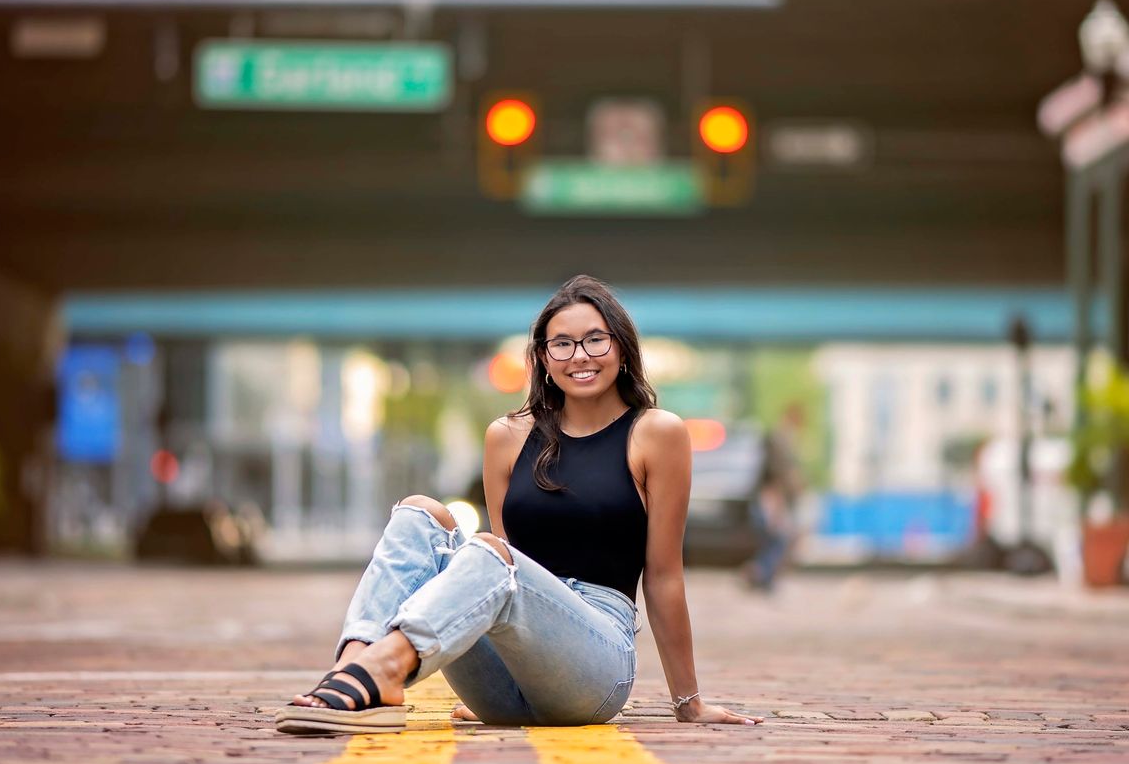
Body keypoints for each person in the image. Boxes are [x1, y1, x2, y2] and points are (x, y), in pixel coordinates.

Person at [275, 274, 762, 735]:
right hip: (505, 681)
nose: (580, 356)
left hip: (595, 665)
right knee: (420, 514)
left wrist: (688, 701)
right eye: (562, 344)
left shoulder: (656, 433)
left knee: (494, 555)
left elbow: (663, 575)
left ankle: (384, 668)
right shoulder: (507, 437)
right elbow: (493, 575)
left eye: (596, 339)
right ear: (544, 358)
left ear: (621, 347)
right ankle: (353, 667)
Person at [744, 403, 806, 593]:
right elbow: (777, 477)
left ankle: (759, 574)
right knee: (778, 540)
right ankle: (759, 574)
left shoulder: (778, 441)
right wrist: (777, 509)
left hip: (770, 498)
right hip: (770, 499)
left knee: (774, 541)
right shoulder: (780, 441)